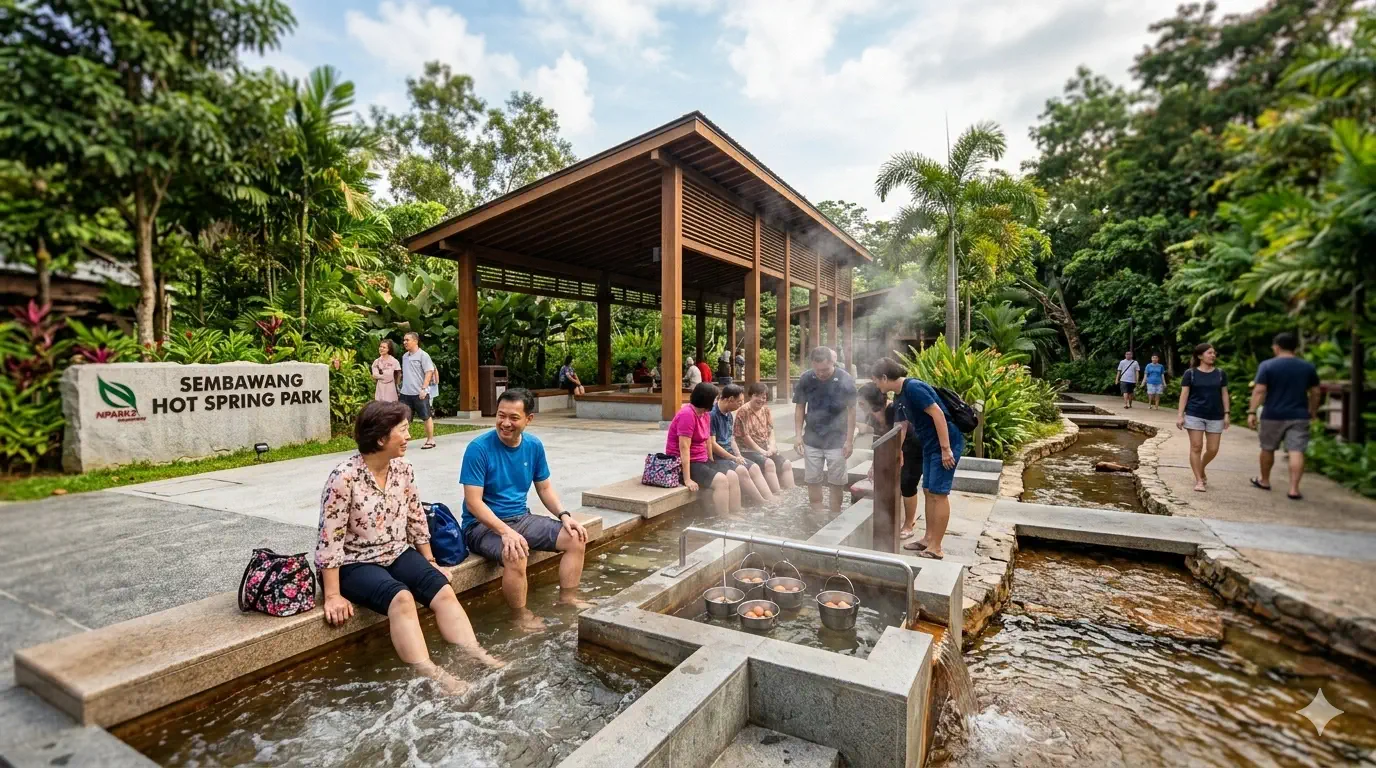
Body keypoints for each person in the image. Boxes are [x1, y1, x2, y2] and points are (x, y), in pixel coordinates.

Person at [316, 401, 499, 694]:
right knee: (400, 598)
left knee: (441, 588)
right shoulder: (344, 478)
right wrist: (333, 595)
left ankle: (476, 653)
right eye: (403, 430)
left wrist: (429, 560)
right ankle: (433, 673)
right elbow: (330, 537)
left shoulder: (403, 469)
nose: (409, 436)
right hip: (354, 562)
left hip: (396, 552)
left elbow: (415, 515)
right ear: (380, 439)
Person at [460, 388, 589, 631]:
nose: (505, 423)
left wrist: (564, 516)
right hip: (481, 526)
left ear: (529, 419)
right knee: (516, 553)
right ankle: (519, 616)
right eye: (501, 416)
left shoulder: (533, 446)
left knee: (576, 538)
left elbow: (544, 487)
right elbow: (473, 503)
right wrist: (504, 532)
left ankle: (567, 600)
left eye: (514, 418)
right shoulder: (478, 448)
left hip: (521, 518)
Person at [869, 358, 963, 559]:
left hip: (943, 442)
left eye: (876, 381)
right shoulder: (901, 394)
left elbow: (937, 414)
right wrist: (899, 450)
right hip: (929, 444)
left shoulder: (914, 388)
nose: (876, 386)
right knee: (929, 491)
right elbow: (901, 426)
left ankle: (936, 548)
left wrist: (946, 449)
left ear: (885, 377)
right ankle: (928, 539)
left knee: (939, 493)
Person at [1249, 332, 1321, 500]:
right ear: (1295, 347)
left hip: (1272, 414)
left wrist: (1252, 411)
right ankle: (1294, 489)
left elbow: (1259, 390)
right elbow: (1315, 392)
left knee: (1267, 448)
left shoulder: (1267, 365)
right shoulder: (1307, 367)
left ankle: (1265, 481)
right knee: (1296, 451)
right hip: (1299, 415)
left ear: (1277, 347)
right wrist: (1313, 411)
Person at [793, 346, 857, 513]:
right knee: (813, 478)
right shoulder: (807, 378)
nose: (820, 373)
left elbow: (852, 411)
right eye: (817, 369)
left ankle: (835, 511)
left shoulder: (845, 379)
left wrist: (849, 441)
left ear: (832, 362)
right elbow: (800, 407)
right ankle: (817, 511)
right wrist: (798, 435)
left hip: (837, 437)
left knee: (837, 480)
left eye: (825, 369)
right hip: (812, 436)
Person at [858, 382, 923, 540]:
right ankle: (891, 517)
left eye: (861, 402)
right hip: (894, 448)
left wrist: (898, 452)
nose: (859, 405)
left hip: (912, 446)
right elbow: (880, 441)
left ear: (872, 400)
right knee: (890, 481)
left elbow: (902, 431)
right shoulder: (872, 415)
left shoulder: (894, 409)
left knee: (908, 484)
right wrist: (875, 465)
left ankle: (909, 524)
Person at [667, 381, 740, 513]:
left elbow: (707, 440)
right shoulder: (687, 415)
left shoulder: (705, 414)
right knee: (721, 481)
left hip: (702, 460)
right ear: (706, 400)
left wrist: (711, 460)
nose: (716, 401)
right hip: (687, 462)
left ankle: (737, 513)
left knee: (733, 476)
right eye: (715, 398)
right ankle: (725, 520)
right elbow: (684, 448)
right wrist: (687, 479)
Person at [1177, 343, 1231, 493]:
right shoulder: (1190, 373)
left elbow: (1224, 394)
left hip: (1216, 415)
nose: (1213, 355)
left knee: (1213, 449)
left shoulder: (1220, 373)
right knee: (1196, 447)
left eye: (1214, 353)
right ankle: (1199, 480)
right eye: (1209, 353)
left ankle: (1201, 467)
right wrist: (1180, 415)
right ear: (1200, 356)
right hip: (1195, 414)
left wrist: (1227, 414)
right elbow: (1184, 395)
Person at [710, 383, 773, 503]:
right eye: (739, 402)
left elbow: (731, 438)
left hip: (730, 454)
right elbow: (712, 445)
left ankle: (769, 498)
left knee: (754, 467)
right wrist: (733, 457)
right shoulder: (712, 415)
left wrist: (738, 455)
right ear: (730, 399)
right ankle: (761, 502)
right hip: (718, 457)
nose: (741, 405)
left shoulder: (728, 415)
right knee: (742, 470)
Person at [735, 382, 795, 493]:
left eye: (763, 397)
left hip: (765, 447)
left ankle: (791, 493)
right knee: (769, 463)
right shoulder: (743, 411)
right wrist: (761, 451)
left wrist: (772, 446)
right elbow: (745, 437)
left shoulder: (766, 410)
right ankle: (777, 495)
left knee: (786, 464)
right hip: (747, 450)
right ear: (751, 396)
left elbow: (770, 430)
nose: (761, 400)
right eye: (757, 396)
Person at [399, 332, 437, 449]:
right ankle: (402, 440)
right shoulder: (405, 356)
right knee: (403, 418)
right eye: (404, 340)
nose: (405, 342)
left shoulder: (423, 355)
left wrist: (424, 389)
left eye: (407, 340)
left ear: (415, 341)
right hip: (405, 393)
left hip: (420, 393)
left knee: (426, 416)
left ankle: (430, 440)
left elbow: (429, 372)